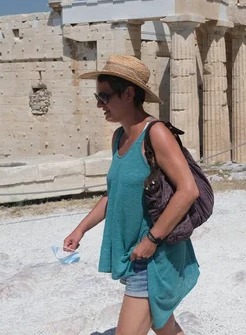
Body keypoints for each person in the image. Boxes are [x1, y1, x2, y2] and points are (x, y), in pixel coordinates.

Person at [63, 55, 200, 335]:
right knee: (165, 327)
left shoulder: (157, 134)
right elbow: (113, 195)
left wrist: (151, 240)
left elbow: (188, 190)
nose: (99, 104)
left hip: (154, 256)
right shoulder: (119, 137)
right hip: (134, 254)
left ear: (128, 94)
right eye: (97, 96)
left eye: (104, 96)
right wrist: (81, 230)